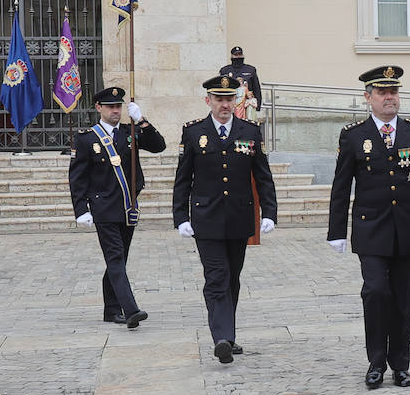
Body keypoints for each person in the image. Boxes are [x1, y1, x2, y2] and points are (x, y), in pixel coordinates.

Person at [328, 66, 410, 389]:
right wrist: (336, 230)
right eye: (382, 92)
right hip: (370, 230)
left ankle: (401, 364)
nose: (389, 98)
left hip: (407, 229)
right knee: (376, 292)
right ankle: (376, 361)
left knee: (404, 298)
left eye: (393, 92)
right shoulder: (354, 136)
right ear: (368, 98)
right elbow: (341, 186)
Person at [172, 75, 279, 364]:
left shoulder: (250, 131)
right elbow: (183, 178)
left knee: (232, 278)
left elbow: (263, 176)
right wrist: (180, 216)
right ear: (208, 101)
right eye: (218, 99)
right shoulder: (195, 132)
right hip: (206, 218)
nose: (224, 104)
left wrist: (269, 212)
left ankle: (228, 335)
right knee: (216, 277)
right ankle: (221, 338)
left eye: (229, 98)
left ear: (236, 101)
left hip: (238, 217)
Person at [67, 87, 167, 328]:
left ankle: (111, 310)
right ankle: (130, 309)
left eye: (119, 106)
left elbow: (159, 146)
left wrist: (141, 121)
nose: (116, 111)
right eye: (110, 106)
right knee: (115, 258)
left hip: (127, 207)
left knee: (119, 260)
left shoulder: (129, 132)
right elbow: (77, 178)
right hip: (103, 209)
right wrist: (81, 209)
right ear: (98, 108)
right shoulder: (87, 138)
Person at [219, 45, 263, 121]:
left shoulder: (250, 70)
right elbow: (221, 90)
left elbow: (256, 88)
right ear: (232, 56)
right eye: (236, 55)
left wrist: (257, 106)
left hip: (246, 106)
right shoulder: (225, 71)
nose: (238, 57)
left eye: (240, 54)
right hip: (230, 104)